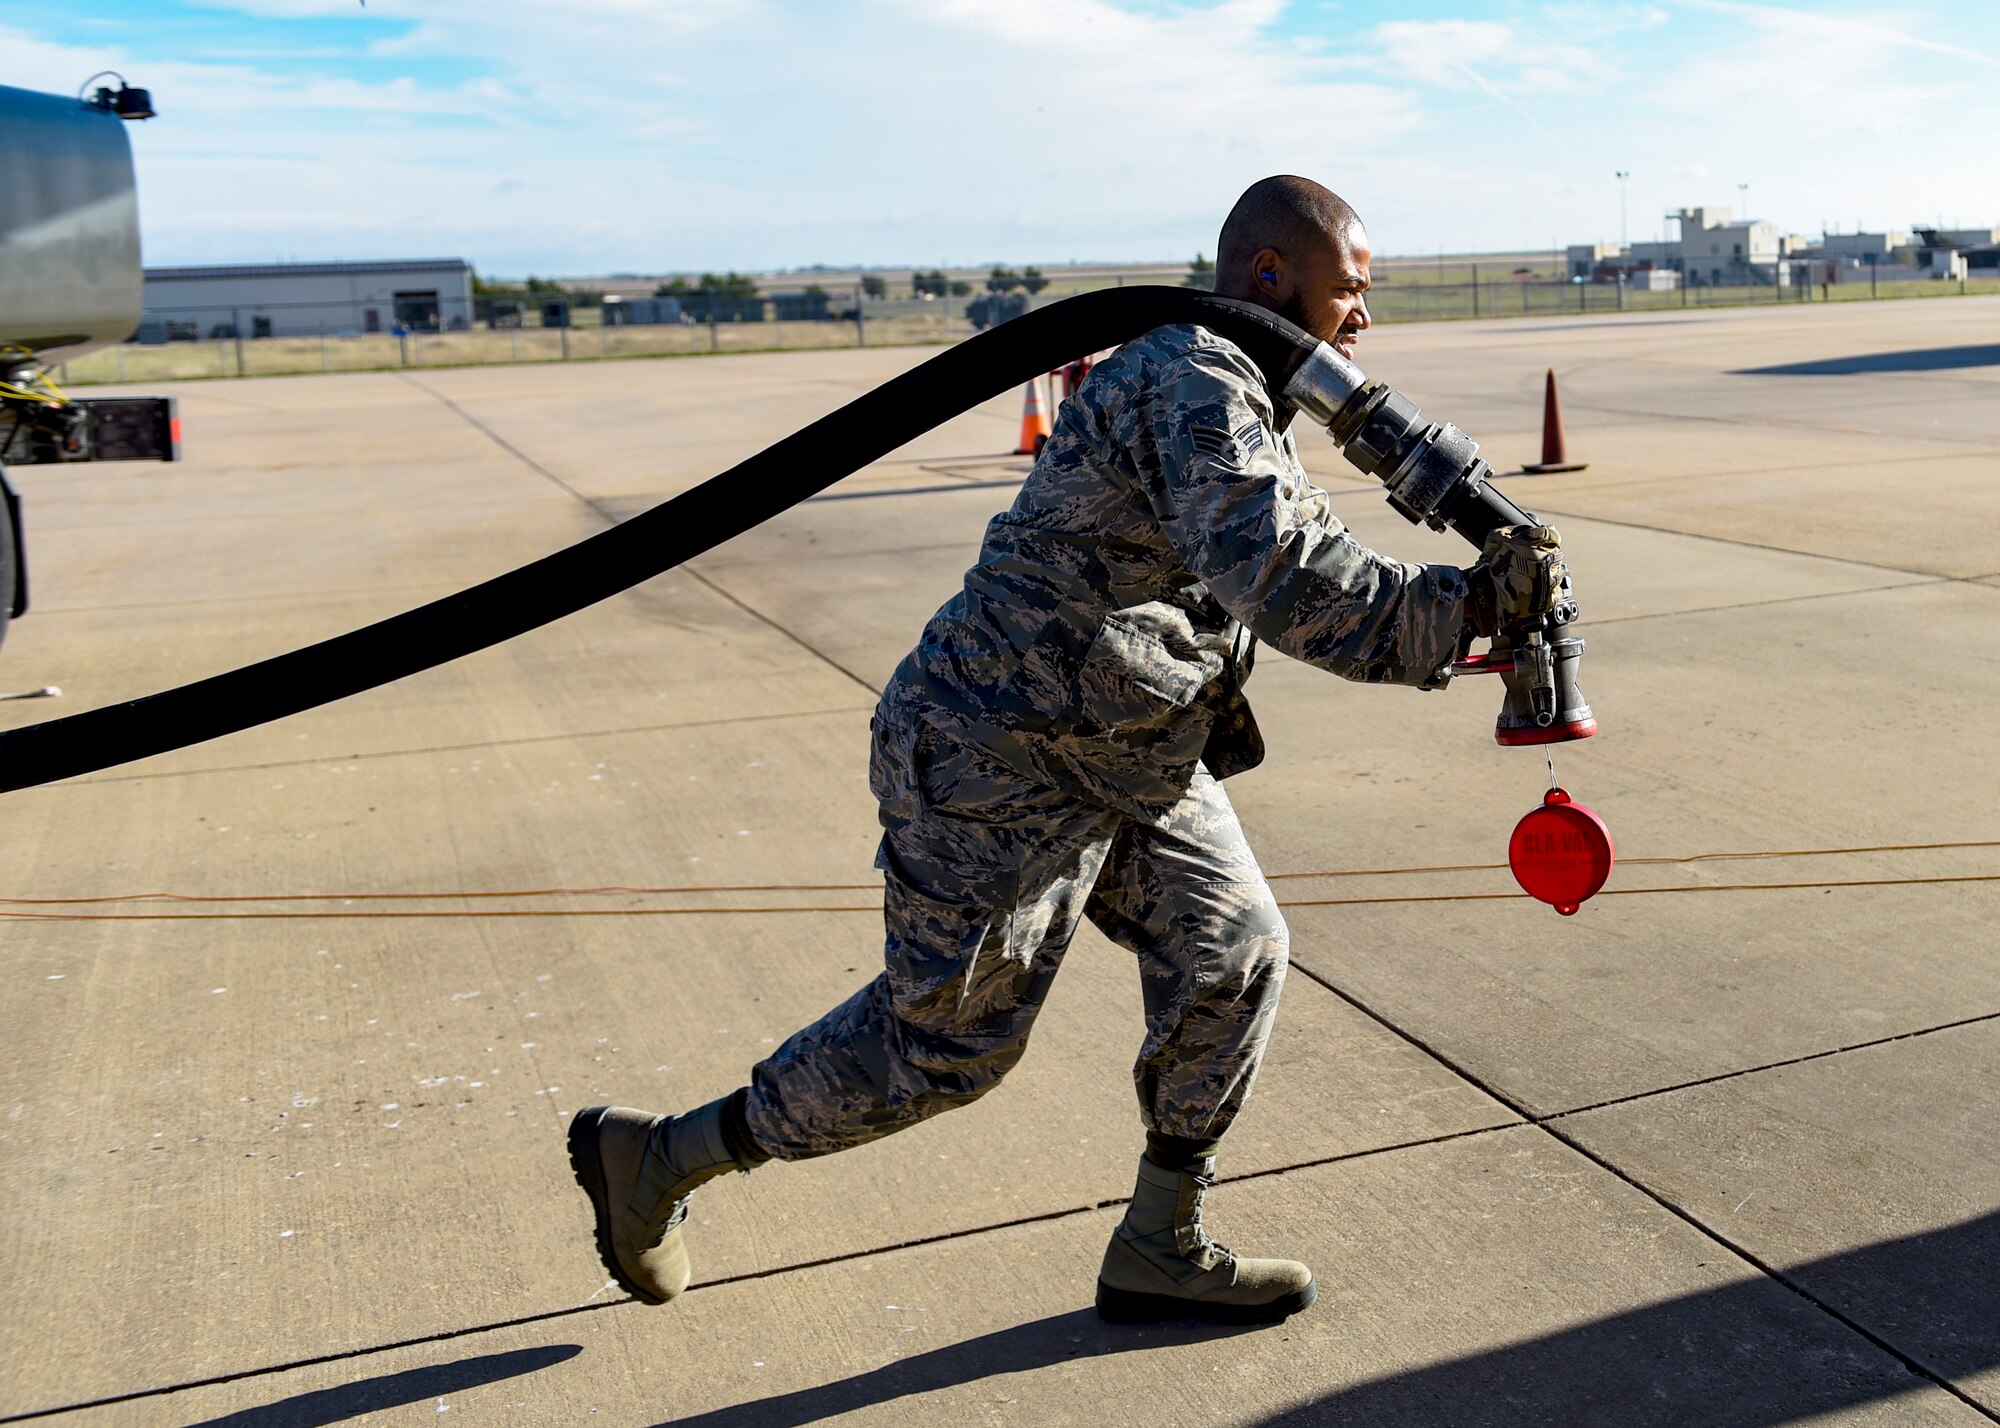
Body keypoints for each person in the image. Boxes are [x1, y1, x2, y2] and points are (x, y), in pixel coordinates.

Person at [569, 175, 1568, 1325]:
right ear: (1265, 279)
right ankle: (664, 1157)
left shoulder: (1243, 393)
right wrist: (1462, 611)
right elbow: (1285, 577)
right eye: (1346, 288)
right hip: (1003, 744)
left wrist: (1469, 596)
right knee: (943, 1049)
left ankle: (1161, 1239)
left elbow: (1293, 547)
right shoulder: (1189, 375)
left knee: (1231, 949)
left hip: (1128, 746)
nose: (1361, 319)